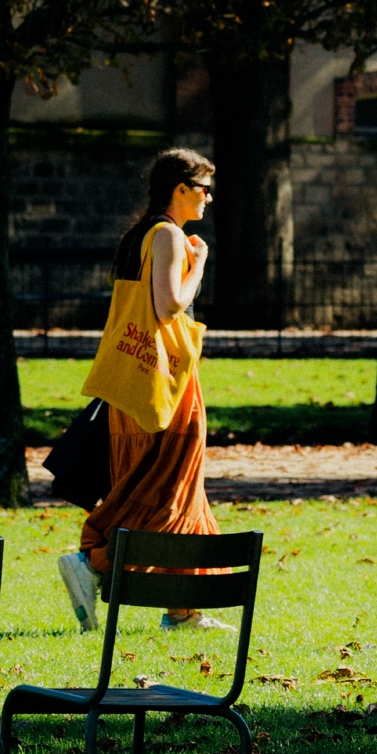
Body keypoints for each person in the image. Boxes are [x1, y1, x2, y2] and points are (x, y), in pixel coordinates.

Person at [58, 146, 223, 633]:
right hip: (165, 381)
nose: (209, 198)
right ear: (180, 189)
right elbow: (170, 305)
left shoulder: (139, 235)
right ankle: (93, 562)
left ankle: (182, 608)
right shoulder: (169, 235)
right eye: (204, 188)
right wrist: (199, 266)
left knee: (168, 483)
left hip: (131, 380)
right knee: (171, 485)